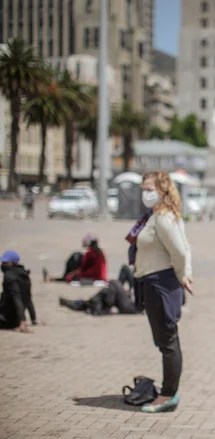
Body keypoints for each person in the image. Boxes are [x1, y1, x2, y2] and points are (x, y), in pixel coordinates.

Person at [129, 171, 193, 414]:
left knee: (167, 341)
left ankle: (167, 395)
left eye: (149, 189)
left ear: (163, 189)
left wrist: (182, 276)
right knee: (165, 340)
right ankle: (168, 391)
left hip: (160, 282)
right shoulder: (155, 215)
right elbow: (184, 246)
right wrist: (185, 273)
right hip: (153, 281)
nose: (145, 193)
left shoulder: (163, 217)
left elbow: (180, 250)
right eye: (143, 189)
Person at [0, 250, 44, 333]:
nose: (2, 265)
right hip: (15, 320)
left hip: (5, 319)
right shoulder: (24, 274)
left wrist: (22, 322)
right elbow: (28, 298)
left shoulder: (9, 275)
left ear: (12, 263)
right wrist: (33, 319)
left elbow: (17, 298)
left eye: (4, 262)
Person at [59, 279, 136, 315]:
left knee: (84, 304)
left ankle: (69, 303)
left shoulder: (112, 288)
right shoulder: (114, 289)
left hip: (97, 301)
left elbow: (109, 302)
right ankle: (69, 303)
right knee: (85, 304)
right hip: (97, 301)